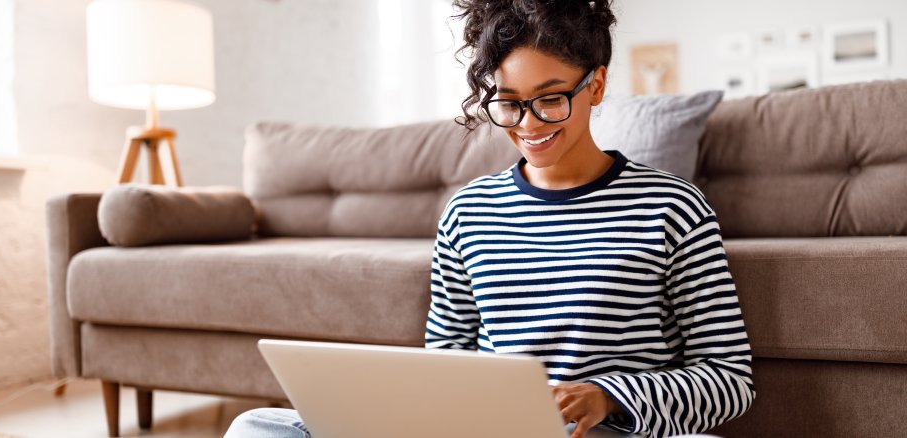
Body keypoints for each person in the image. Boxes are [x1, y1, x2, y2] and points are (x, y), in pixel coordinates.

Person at [225, 1, 755, 437]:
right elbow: (444, 362)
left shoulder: (672, 206)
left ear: (595, 86)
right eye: (508, 103)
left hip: (611, 432)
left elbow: (730, 380)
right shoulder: (468, 211)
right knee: (257, 427)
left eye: (551, 99)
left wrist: (606, 397)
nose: (528, 124)